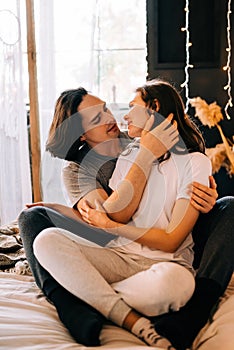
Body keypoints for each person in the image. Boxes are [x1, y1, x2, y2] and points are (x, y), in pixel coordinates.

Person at [18, 83, 233, 349]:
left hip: (169, 239)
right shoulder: (79, 170)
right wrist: (145, 154)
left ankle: (92, 292)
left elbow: (150, 228)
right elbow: (108, 218)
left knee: (230, 207)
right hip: (116, 245)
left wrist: (206, 201)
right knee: (35, 222)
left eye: (106, 109)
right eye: (98, 118)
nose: (113, 118)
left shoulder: (141, 141)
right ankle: (69, 301)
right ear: (80, 135)